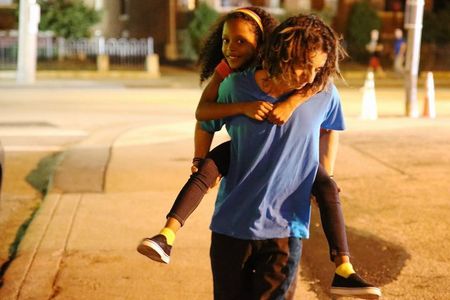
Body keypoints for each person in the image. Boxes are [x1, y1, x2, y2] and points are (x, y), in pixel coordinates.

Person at [137, 9, 380, 299]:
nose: (310, 76)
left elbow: (329, 129)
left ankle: (344, 270)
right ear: (282, 53)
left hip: (284, 231)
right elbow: (205, 118)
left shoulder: (323, 92)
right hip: (231, 227)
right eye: (305, 66)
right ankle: (167, 234)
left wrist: (323, 172)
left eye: (317, 69)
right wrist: (199, 158)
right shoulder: (236, 86)